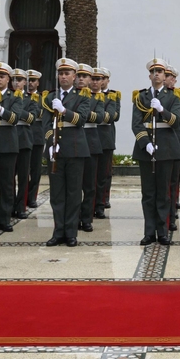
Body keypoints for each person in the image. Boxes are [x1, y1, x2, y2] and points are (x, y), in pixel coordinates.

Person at [41, 58, 91, 247]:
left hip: (75, 149)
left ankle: (71, 233)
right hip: (56, 151)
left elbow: (81, 120)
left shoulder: (82, 96)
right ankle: (58, 232)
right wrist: (50, 142)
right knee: (57, 194)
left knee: (73, 193)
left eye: (67, 73)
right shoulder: (49, 97)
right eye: (61, 73)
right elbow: (46, 124)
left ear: (74, 76)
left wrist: (64, 111)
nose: (63, 76)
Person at [132, 58, 180, 245]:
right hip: (146, 148)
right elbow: (136, 124)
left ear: (164, 75)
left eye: (159, 72)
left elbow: (176, 122)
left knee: (163, 193)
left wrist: (162, 110)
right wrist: (145, 142)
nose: (156, 75)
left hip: (167, 148)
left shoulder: (173, 97)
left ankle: (162, 232)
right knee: (148, 193)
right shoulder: (141, 97)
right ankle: (149, 232)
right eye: (153, 72)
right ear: (149, 76)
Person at [0, 62, 21, 232]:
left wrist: (0, 109)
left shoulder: (15, 97)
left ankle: (5, 218)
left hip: (8, 145)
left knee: (7, 184)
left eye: (2, 77)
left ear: (8, 79)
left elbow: (14, 118)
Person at [77, 64, 104, 233]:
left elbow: (100, 117)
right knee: (73, 186)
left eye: (85, 76)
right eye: (79, 76)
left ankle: (86, 218)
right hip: (72, 142)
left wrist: (80, 114)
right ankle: (73, 218)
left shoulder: (97, 98)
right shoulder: (69, 97)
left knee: (89, 185)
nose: (81, 79)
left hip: (90, 142)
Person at [165, 64, 180, 230]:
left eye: (169, 76)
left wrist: (171, 113)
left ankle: (174, 201)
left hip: (175, 134)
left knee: (175, 174)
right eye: (166, 75)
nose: (167, 79)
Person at [94, 68, 119, 216]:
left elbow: (113, 116)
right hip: (91, 137)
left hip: (105, 137)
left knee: (104, 173)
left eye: (102, 78)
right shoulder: (87, 95)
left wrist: (95, 116)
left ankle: (103, 200)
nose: (100, 81)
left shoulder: (112, 96)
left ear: (107, 80)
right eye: (97, 78)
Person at [12, 68, 34, 219]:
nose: (16, 83)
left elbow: (32, 117)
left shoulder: (31, 98)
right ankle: (10, 205)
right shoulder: (6, 97)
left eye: (19, 80)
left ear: (25, 82)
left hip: (24, 139)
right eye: (14, 80)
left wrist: (17, 110)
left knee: (23, 176)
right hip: (8, 140)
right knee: (8, 177)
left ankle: (21, 206)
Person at [26, 69, 45, 209]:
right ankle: (22, 196)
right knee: (23, 170)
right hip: (23, 136)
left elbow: (42, 114)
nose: (30, 83)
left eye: (33, 81)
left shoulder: (43, 98)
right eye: (28, 80)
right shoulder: (20, 96)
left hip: (37, 136)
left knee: (35, 170)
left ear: (38, 82)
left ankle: (32, 197)